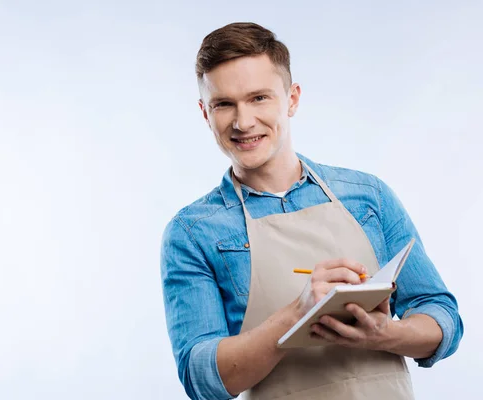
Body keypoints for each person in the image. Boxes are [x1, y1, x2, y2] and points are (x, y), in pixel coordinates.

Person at [160, 22, 464, 400]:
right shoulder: (193, 232)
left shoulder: (369, 196)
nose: (243, 122)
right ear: (206, 113)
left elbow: (441, 316)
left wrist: (383, 334)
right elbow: (200, 377)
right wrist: (297, 314)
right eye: (224, 104)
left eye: (259, 98)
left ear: (292, 99)